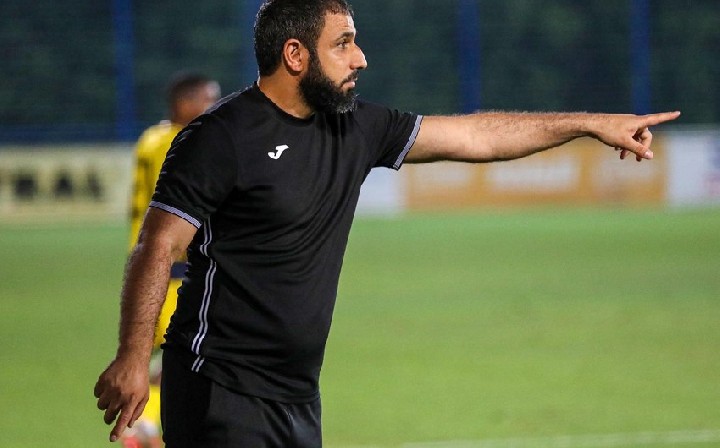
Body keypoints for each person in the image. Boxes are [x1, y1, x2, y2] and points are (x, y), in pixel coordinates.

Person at [94, 0, 680, 446]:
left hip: (297, 394)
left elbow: (476, 136)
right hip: (220, 390)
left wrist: (588, 123)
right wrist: (132, 357)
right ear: (295, 55)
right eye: (343, 44)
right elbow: (157, 246)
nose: (361, 58)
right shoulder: (219, 138)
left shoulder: (355, 127)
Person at [122, 71, 220, 448]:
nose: (214, 106)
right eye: (208, 99)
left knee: (169, 357)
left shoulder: (151, 138)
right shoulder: (179, 142)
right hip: (174, 271)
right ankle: (143, 429)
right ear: (184, 104)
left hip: (149, 265)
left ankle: (144, 426)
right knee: (187, 357)